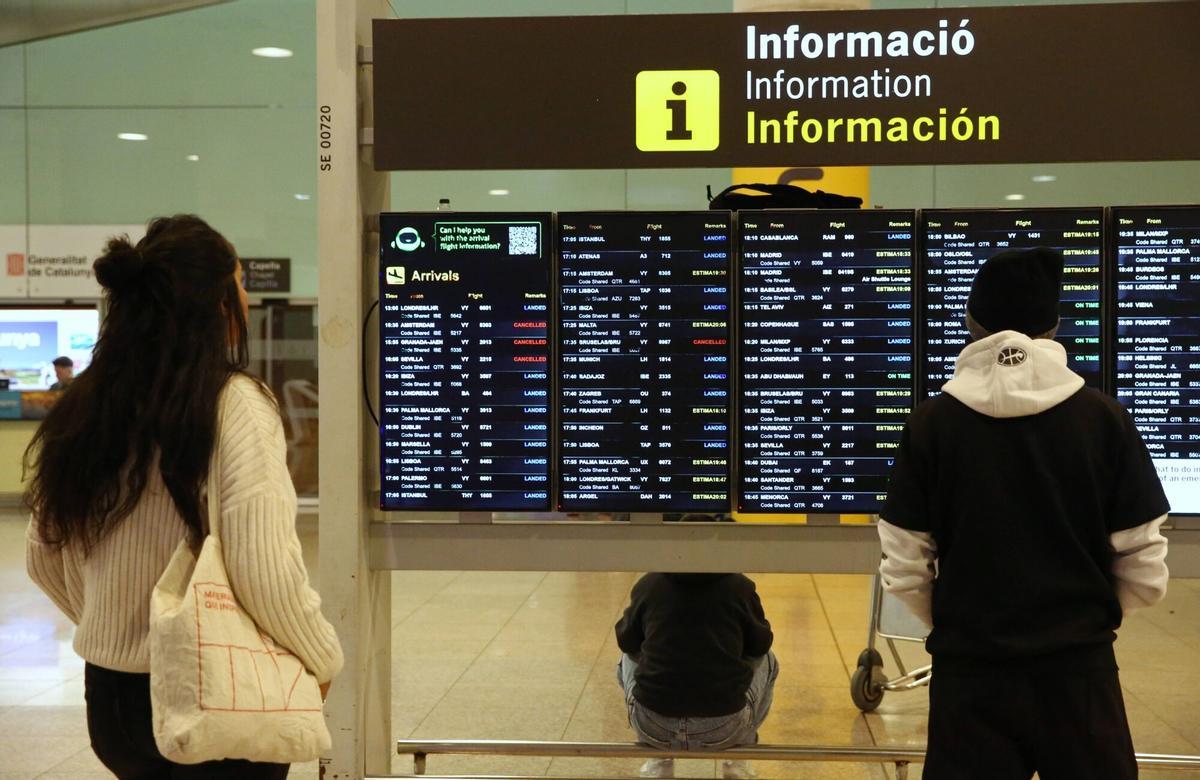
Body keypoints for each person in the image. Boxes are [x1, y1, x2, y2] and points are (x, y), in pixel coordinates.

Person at [24, 215, 343, 779]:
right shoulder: (234, 403)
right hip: (214, 690)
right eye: (240, 282)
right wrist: (321, 656)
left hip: (113, 704)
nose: (246, 296)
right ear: (218, 303)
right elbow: (263, 566)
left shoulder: (88, 404)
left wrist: (115, 623)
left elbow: (44, 552)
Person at [879, 247, 1169, 780]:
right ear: (1054, 326)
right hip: (1080, 674)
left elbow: (903, 564)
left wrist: (963, 624)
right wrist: (1083, 623)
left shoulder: (931, 422)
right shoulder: (1103, 417)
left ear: (971, 323)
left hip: (969, 675)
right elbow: (1144, 563)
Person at [615, 570, 778, 780]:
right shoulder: (739, 586)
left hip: (654, 725)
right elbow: (760, 644)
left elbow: (626, 641)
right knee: (768, 659)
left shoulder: (650, 583)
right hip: (725, 727)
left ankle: (658, 760)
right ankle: (739, 757)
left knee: (628, 655)